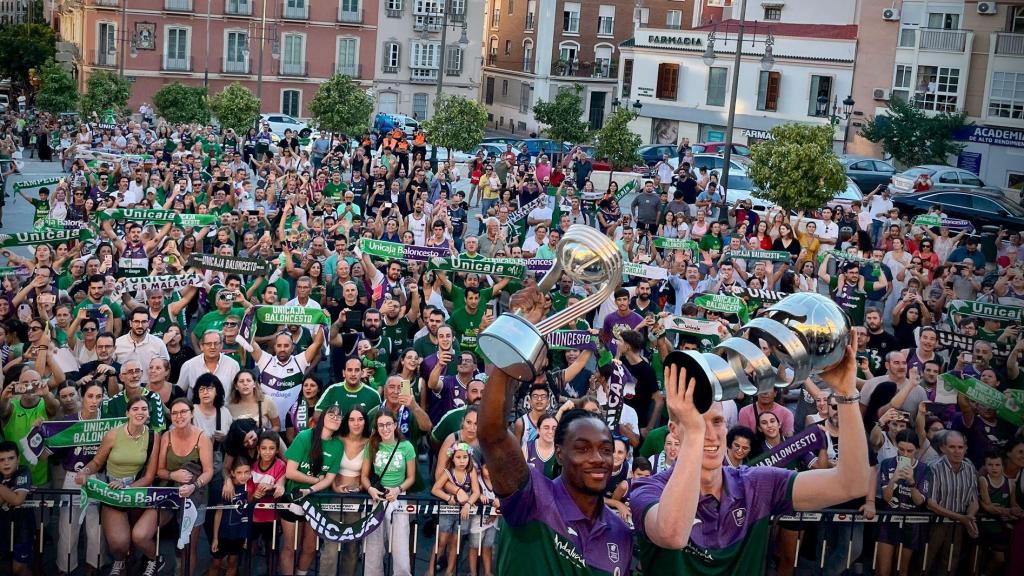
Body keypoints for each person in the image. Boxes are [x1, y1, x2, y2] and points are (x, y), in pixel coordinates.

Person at [631, 332, 869, 574]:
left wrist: (846, 393)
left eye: (717, 421)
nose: (710, 434)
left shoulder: (754, 484)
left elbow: (852, 483)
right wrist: (693, 434)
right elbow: (673, 535)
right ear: (674, 431)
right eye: (696, 423)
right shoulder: (648, 490)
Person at [477, 283, 632, 575]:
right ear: (559, 454)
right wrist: (520, 328)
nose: (598, 458)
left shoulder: (620, 534)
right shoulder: (533, 496)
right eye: (582, 448)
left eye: (606, 449)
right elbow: (493, 434)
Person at [75, 397, 162, 576]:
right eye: (135, 409)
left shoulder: (154, 436)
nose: (140, 412)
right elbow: (97, 462)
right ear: (127, 413)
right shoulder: (113, 434)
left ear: (149, 412)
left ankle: (152, 560)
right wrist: (84, 471)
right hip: (113, 492)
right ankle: (120, 562)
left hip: (137, 491)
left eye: (144, 409)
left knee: (139, 537)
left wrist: (126, 486)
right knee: (118, 544)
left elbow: (149, 475)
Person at [281, 403, 345, 576]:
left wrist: (311, 489)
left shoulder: (338, 445)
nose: (335, 418)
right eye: (331, 414)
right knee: (290, 546)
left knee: (309, 547)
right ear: (322, 416)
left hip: (317, 501)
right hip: (293, 498)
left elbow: (330, 479)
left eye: (339, 416)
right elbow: (291, 472)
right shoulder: (304, 436)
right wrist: (315, 480)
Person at [360, 408, 417, 576]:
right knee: (373, 549)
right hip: (376, 498)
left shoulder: (406, 447)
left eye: (388, 424)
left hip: (398, 498)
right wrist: (370, 489)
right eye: (381, 425)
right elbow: (364, 476)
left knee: (401, 548)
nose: (385, 429)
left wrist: (398, 489)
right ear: (376, 428)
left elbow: (411, 477)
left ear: (395, 424)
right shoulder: (371, 445)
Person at [0, 440, 32, 576]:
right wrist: (10, 492)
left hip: (23, 528)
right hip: (3, 528)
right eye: (1, 460)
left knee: (19, 569)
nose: (6, 463)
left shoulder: (23, 471)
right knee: (5, 568)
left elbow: (18, 499)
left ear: (18, 459)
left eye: (11, 458)